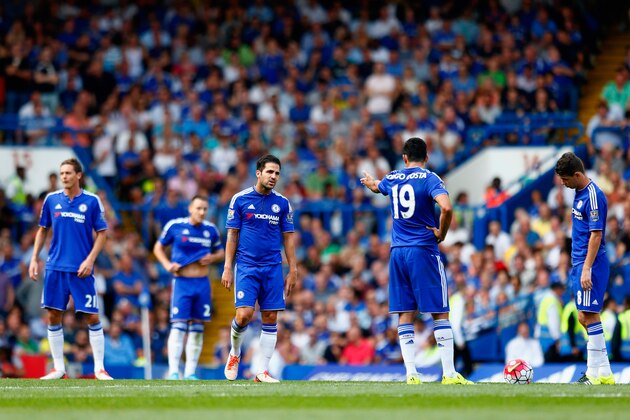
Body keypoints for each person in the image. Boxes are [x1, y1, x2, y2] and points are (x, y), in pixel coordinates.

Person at [360, 137, 473, 385]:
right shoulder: (431, 178)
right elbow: (447, 208)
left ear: (404, 158)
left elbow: (380, 186)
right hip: (423, 249)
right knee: (440, 311)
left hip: (397, 251)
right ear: (427, 158)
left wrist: (372, 183)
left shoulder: (393, 177)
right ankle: (450, 374)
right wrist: (441, 233)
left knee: (405, 312)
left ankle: (411, 373)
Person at [28, 158, 112, 380]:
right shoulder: (51, 200)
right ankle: (58, 368)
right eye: (62, 173)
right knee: (54, 315)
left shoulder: (92, 201)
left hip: (80, 270)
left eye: (68, 173)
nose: (64, 176)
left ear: (78, 175)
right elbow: (42, 230)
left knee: (92, 317)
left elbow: (103, 233)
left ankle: (99, 369)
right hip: (55, 267)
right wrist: (34, 258)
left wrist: (90, 260)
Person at [222, 154, 297, 383]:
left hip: (273, 267)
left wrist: (293, 269)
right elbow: (232, 235)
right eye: (270, 172)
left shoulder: (282, 203)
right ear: (258, 173)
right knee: (244, 315)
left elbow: (288, 238)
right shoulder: (240, 199)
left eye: (277, 173)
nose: (274, 176)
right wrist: (227, 266)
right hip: (246, 266)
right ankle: (235, 353)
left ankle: (261, 371)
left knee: (271, 316)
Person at [554, 152, 614, 384]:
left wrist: (587, 267)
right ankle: (605, 371)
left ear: (577, 174)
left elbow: (596, 235)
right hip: (579, 262)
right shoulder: (578, 193)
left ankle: (593, 373)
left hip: (591, 262)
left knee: (589, 315)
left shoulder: (594, 195)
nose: (563, 183)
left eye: (566, 179)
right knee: (583, 316)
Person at [153, 195, 224, 380]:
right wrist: (167, 265)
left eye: (205, 209)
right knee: (178, 326)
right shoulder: (175, 226)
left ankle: (191, 372)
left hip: (202, 283)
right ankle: (174, 371)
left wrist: (213, 258)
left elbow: (221, 251)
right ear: (190, 208)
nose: (202, 212)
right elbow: (158, 247)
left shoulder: (211, 230)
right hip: (182, 283)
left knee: (197, 327)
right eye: (198, 208)